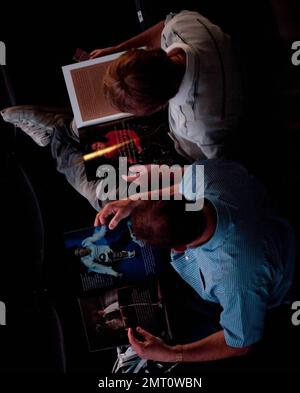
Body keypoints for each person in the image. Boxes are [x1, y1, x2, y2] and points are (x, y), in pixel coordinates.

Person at [0, 10, 242, 209]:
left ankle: (57, 134)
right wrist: (118, 49)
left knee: (104, 196)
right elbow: (163, 28)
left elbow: (215, 175)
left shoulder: (205, 126)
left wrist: (156, 184)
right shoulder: (186, 27)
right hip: (182, 112)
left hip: (186, 157)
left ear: (159, 106)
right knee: (108, 110)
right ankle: (65, 129)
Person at [94, 159, 295, 363]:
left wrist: (172, 354)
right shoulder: (207, 175)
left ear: (179, 249)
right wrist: (134, 201)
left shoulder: (235, 280)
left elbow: (240, 343)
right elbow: (185, 179)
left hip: (262, 288)